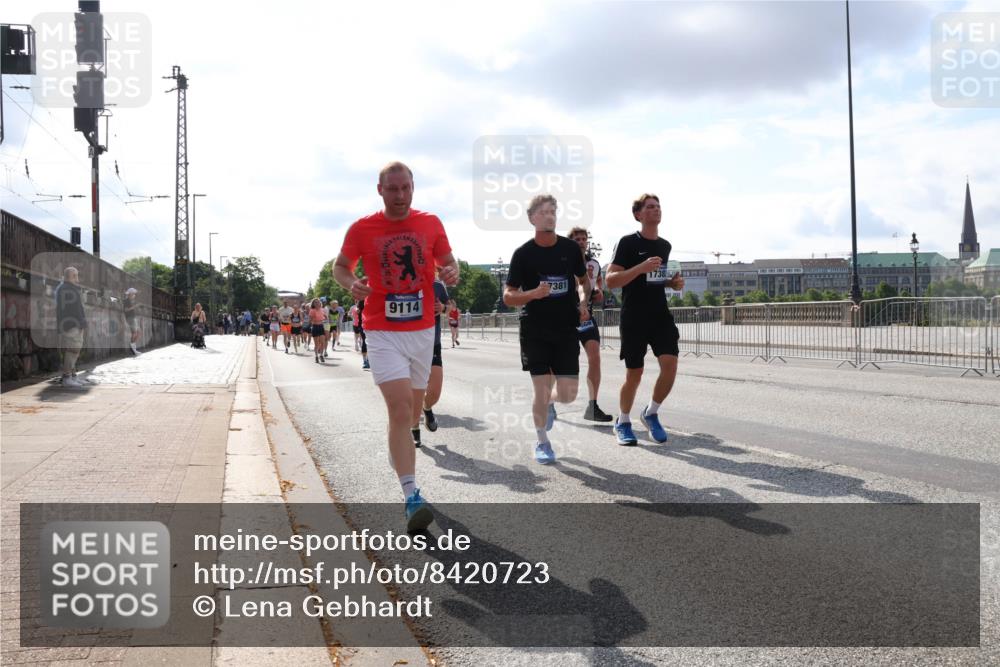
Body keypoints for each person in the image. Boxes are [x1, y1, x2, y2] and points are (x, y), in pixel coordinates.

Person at [333, 161, 459, 532]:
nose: (400, 196)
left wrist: (452, 270)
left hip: (421, 331)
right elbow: (341, 266)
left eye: (406, 188)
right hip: (382, 330)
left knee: (413, 412)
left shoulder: (431, 223)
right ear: (380, 190)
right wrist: (351, 283)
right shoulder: (362, 228)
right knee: (401, 410)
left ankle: (400, 459)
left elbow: (447, 261)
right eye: (393, 189)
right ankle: (411, 495)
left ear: (413, 188)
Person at [503, 194, 589, 465]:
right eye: (544, 212)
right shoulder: (523, 254)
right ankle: (542, 442)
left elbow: (583, 282)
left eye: (553, 211)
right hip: (535, 329)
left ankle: (551, 403)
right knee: (540, 389)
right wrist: (533, 294)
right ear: (532, 218)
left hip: (565, 327)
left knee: (568, 393)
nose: (550, 215)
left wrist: (584, 300)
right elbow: (508, 296)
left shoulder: (570, 249)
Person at [605, 193, 685, 446]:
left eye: (658, 206)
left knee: (670, 365)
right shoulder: (628, 243)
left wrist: (672, 283)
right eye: (650, 207)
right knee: (635, 374)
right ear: (638, 214)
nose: (656, 210)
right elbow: (610, 280)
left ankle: (651, 413)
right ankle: (624, 421)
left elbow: (656, 278)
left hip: (659, 314)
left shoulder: (665, 245)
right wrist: (640, 267)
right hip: (634, 315)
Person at [568, 227, 613, 422]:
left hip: (586, 316)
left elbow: (599, 284)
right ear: (570, 241)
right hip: (566, 317)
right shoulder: (563, 261)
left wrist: (599, 292)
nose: (581, 241)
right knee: (563, 364)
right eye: (577, 238)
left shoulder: (593, 264)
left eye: (584, 238)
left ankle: (592, 406)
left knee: (595, 357)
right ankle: (550, 402)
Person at [419, 278, 450, 439]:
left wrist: (444, 307)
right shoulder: (400, 283)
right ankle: (413, 430)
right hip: (407, 344)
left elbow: (449, 306)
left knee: (435, 392)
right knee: (411, 391)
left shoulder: (437, 285)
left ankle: (427, 407)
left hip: (432, 343)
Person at [54, 266, 88, 387]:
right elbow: (74, 309)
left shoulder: (66, 288)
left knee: (74, 350)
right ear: (72, 276)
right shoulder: (68, 289)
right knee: (72, 350)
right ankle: (67, 378)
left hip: (71, 324)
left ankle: (72, 376)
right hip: (72, 325)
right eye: (76, 275)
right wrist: (81, 323)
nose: (77, 278)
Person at [123, 287, 141, 356]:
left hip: (133, 318)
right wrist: (134, 307)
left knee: (138, 333)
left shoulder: (131, 301)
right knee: (134, 333)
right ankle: (133, 349)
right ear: (130, 294)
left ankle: (133, 348)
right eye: (133, 293)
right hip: (130, 318)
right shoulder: (126, 301)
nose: (134, 295)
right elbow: (126, 310)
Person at [308, 298, 327, 363]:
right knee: (316, 344)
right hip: (315, 327)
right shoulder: (312, 310)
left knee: (323, 342)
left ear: (320, 303)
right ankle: (316, 356)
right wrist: (313, 319)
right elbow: (310, 320)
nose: (317, 303)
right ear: (313, 304)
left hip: (321, 326)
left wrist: (325, 318)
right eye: (315, 302)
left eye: (318, 302)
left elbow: (325, 317)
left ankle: (321, 355)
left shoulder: (322, 310)